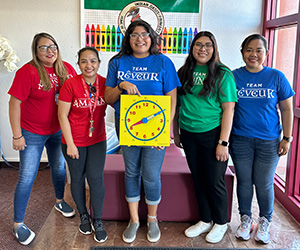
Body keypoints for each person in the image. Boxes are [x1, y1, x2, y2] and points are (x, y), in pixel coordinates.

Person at [104, 20, 181, 243]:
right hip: (127, 127)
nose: (140, 39)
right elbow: (108, 98)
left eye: (145, 34)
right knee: (131, 172)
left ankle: (152, 219)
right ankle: (134, 220)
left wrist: (167, 130)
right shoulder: (118, 62)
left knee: (151, 174)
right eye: (135, 34)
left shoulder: (163, 62)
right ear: (128, 39)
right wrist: (121, 86)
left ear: (153, 38)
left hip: (156, 128)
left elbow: (172, 99)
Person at [8, 32, 76, 245]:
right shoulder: (27, 72)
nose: (50, 50)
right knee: (27, 176)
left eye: (53, 46)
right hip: (32, 133)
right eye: (44, 47)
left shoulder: (66, 69)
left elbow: (76, 95)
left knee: (58, 168)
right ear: (35, 51)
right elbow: (14, 104)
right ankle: (18, 223)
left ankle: (59, 201)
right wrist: (17, 135)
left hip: (57, 131)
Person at [173, 31, 237, 244]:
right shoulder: (183, 72)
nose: (203, 49)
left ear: (214, 48)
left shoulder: (223, 73)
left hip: (213, 134)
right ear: (192, 48)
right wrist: (176, 133)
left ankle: (221, 222)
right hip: (189, 134)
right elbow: (177, 105)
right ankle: (205, 219)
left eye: (208, 45)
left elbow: (229, 110)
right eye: (198, 45)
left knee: (214, 180)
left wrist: (223, 142)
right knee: (198, 178)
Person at [230, 34, 295, 244]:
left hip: (269, 141)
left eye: (259, 50)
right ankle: (245, 220)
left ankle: (265, 221)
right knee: (245, 182)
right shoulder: (233, 77)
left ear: (266, 53)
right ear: (242, 52)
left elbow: (287, 109)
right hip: (240, 139)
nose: (253, 54)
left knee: (264, 182)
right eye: (249, 50)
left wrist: (287, 137)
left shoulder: (276, 76)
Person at [58, 47, 108, 243]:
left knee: (96, 179)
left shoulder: (105, 83)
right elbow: (62, 115)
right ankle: (83, 215)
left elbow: (120, 103)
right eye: (84, 61)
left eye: (93, 61)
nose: (89, 65)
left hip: (97, 140)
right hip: (74, 141)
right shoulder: (70, 84)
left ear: (99, 63)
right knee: (77, 178)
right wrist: (70, 144)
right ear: (78, 64)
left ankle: (98, 220)